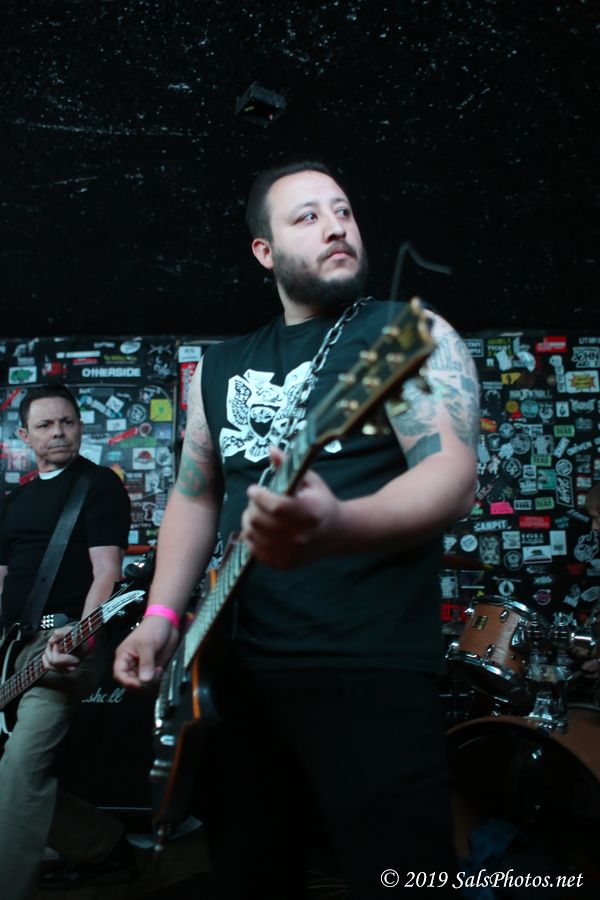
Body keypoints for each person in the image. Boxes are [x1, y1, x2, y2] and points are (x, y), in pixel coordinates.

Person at [114, 161, 480, 897]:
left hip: (369, 666)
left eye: (342, 211)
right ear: (265, 250)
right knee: (249, 875)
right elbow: (194, 496)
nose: (335, 226)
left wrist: (340, 523)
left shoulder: (405, 333)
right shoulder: (220, 367)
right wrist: (160, 617)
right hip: (234, 674)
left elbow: (450, 474)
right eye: (307, 217)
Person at [0, 385, 134, 899]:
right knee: (13, 777)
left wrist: (81, 638)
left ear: (80, 426)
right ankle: (104, 847)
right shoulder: (16, 500)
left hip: (63, 643)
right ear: (25, 435)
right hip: (10, 648)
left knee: (20, 766)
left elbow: (107, 573)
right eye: (46, 425)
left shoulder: (98, 486)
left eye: (68, 422)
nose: (58, 432)